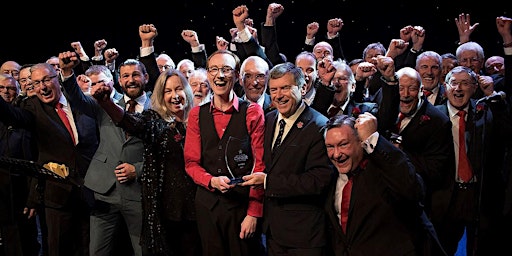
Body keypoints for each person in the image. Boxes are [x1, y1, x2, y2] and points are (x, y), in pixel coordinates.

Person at [91, 68, 201, 256]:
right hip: (166, 209)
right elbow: (131, 122)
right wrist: (107, 104)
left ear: (187, 90)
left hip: (197, 207)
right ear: (160, 95)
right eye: (168, 91)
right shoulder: (155, 121)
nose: (175, 96)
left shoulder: (200, 120)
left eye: (179, 89)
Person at [0, 62, 98, 256]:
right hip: (58, 196)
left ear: (58, 79)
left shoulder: (79, 101)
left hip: (91, 193)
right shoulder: (32, 107)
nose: (42, 87)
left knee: (90, 249)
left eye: (46, 80)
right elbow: (13, 116)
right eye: (36, 83)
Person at [59, 52, 150, 256]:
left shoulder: (158, 106)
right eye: (125, 76)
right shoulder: (104, 102)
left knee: (142, 250)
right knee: (97, 251)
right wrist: (67, 72)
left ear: (146, 78)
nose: (131, 80)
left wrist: (138, 170)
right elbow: (78, 99)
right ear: (119, 80)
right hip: (105, 191)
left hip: (139, 193)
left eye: (136, 75)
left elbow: (164, 153)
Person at [241, 62, 334, 255]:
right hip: (273, 232)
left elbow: (318, 180)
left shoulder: (319, 126)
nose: (278, 95)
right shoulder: (269, 118)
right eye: (273, 90)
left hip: (304, 236)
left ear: (303, 88)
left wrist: (268, 182)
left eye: (285, 88)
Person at [183, 49, 266, 256]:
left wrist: (254, 212)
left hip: (241, 207)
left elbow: (260, 164)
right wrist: (210, 181)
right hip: (207, 207)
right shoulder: (196, 115)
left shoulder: (252, 111)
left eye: (226, 70)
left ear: (237, 76)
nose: (220, 75)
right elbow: (191, 163)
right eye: (214, 69)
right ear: (208, 74)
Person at [322, 113, 436, 256]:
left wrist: (374, 139)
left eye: (343, 144)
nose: (336, 154)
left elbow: (413, 190)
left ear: (360, 141)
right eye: (330, 147)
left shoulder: (383, 169)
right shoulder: (330, 176)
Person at [434, 66, 512, 256]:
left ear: (474, 87)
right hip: (446, 196)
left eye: (465, 83)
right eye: (454, 83)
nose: (458, 88)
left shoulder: (485, 111)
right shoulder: (434, 115)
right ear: (446, 87)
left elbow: (507, 134)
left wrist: (492, 95)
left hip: (479, 196)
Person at [0, 74, 40, 256]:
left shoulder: (27, 112)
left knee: (23, 242)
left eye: (10, 88)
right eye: (1, 88)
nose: (6, 92)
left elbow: (35, 159)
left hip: (19, 191)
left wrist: (32, 196)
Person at [311, 60, 378, 118]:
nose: (336, 83)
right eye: (332, 79)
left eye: (342, 79)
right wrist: (325, 82)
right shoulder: (313, 109)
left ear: (353, 86)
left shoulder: (366, 111)